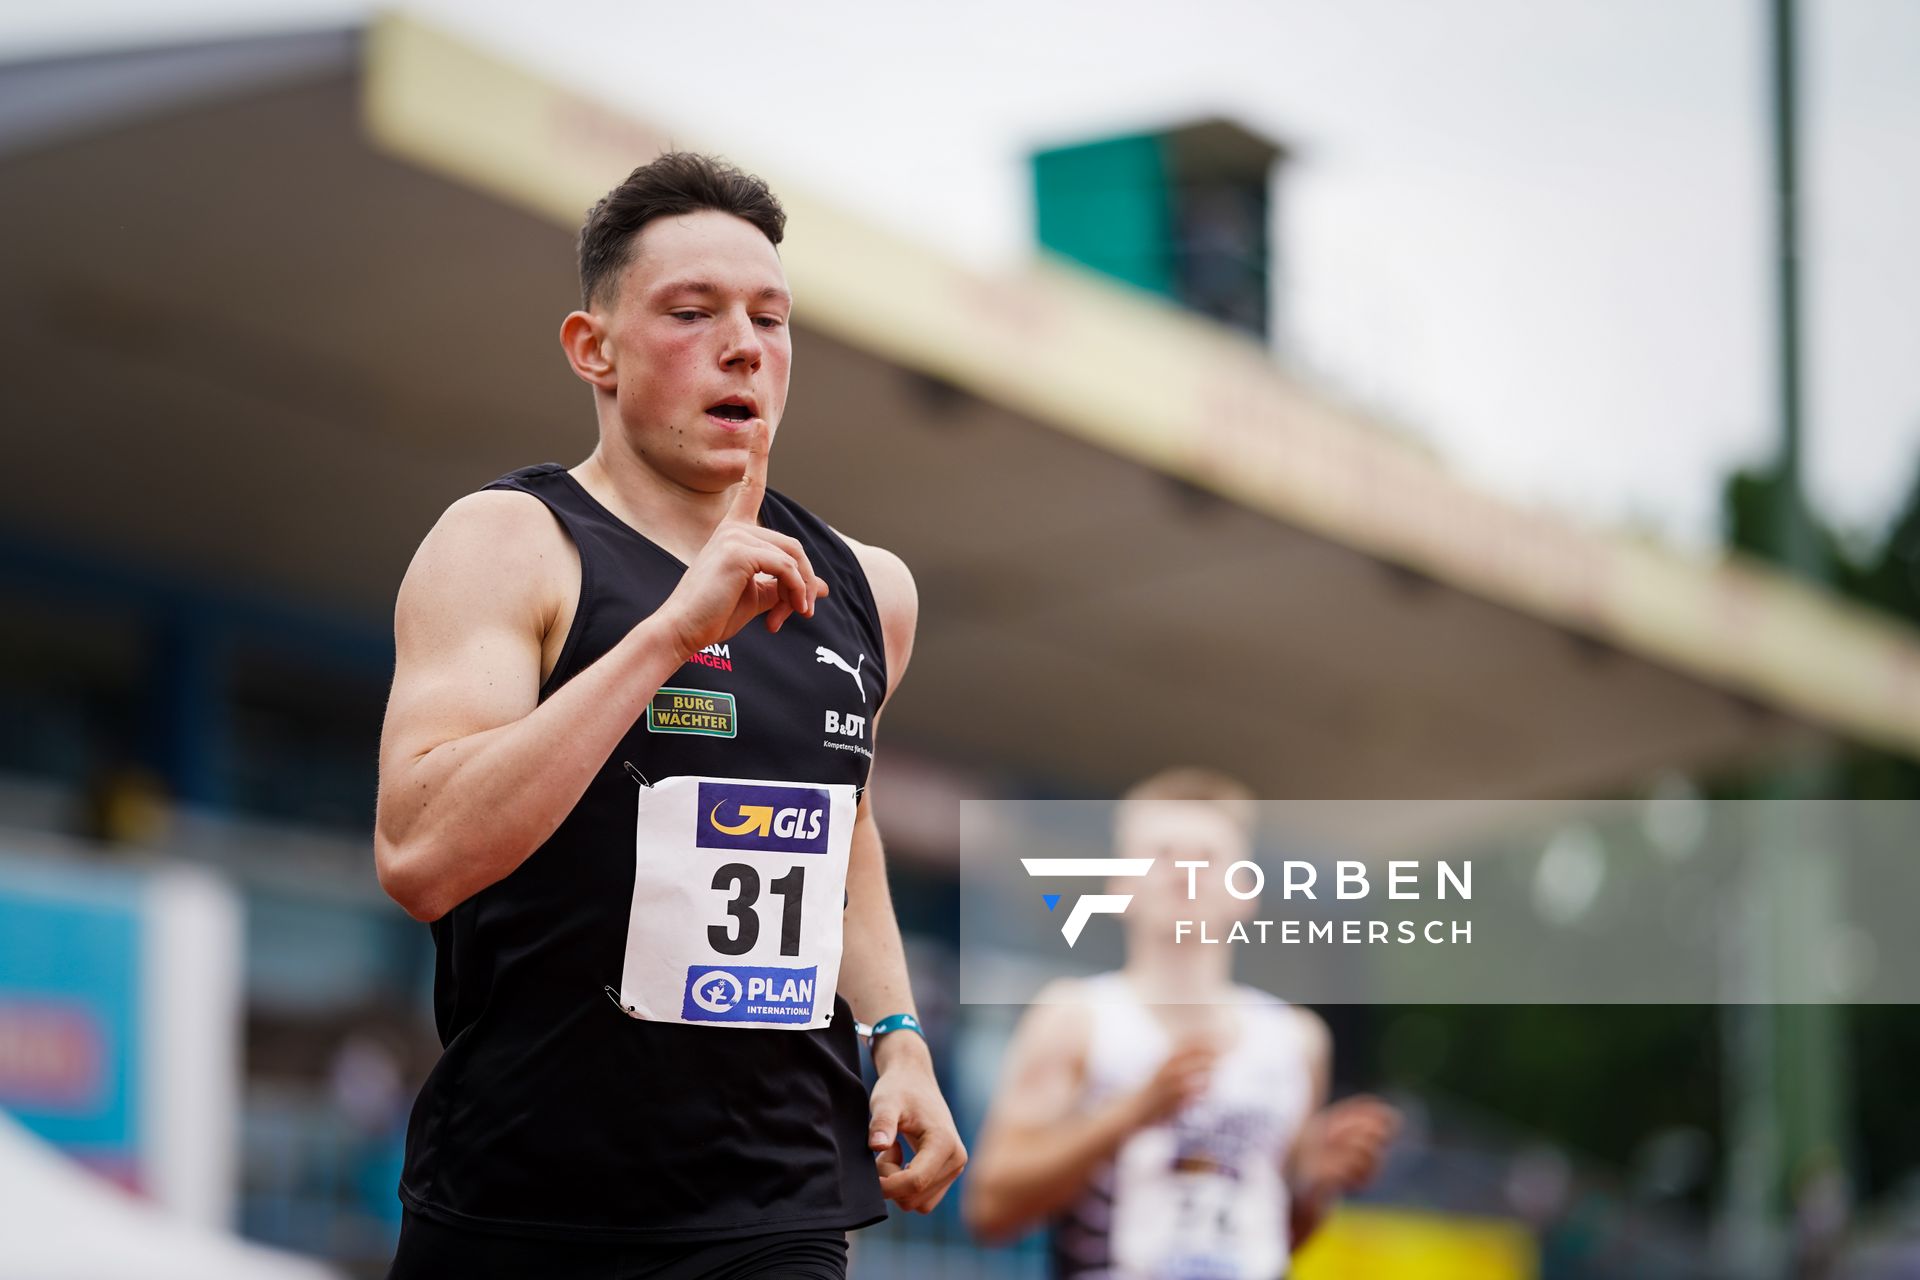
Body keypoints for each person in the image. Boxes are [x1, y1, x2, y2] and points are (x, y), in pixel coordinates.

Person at [373, 151, 964, 1278]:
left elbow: (845, 823)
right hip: (524, 1194)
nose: (744, 345)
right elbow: (419, 853)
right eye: (692, 312)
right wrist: (663, 636)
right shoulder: (508, 545)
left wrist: (898, 1038)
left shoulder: (867, 589)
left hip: (777, 1199)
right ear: (592, 348)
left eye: (771, 318)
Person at [963, 768, 1397, 1279]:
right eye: (1162, 854)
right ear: (1119, 882)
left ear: (1246, 888)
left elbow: (1278, 1234)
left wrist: (1316, 1185)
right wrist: (1129, 1115)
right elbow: (989, 1210)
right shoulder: (1075, 1018)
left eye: (1208, 858)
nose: (1184, 871)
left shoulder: (1297, 1042)